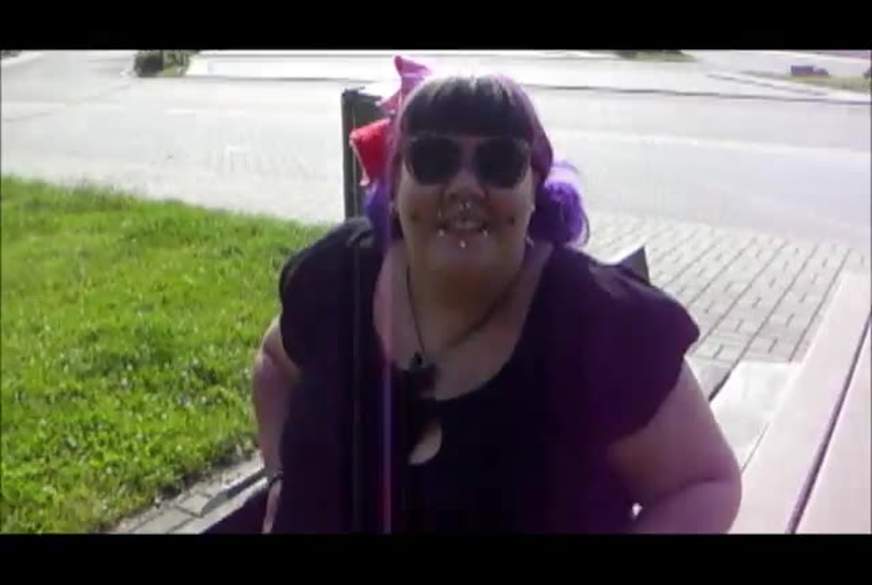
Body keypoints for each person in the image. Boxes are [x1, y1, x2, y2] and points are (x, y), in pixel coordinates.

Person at [252, 67, 742, 533]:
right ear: (396, 181)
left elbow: (705, 483)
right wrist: (278, 479)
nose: (465, 186)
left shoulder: (599, 324)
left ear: (536, 187)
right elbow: (274, 363)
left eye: (499, 162)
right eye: (434, 158)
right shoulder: (340, 277)